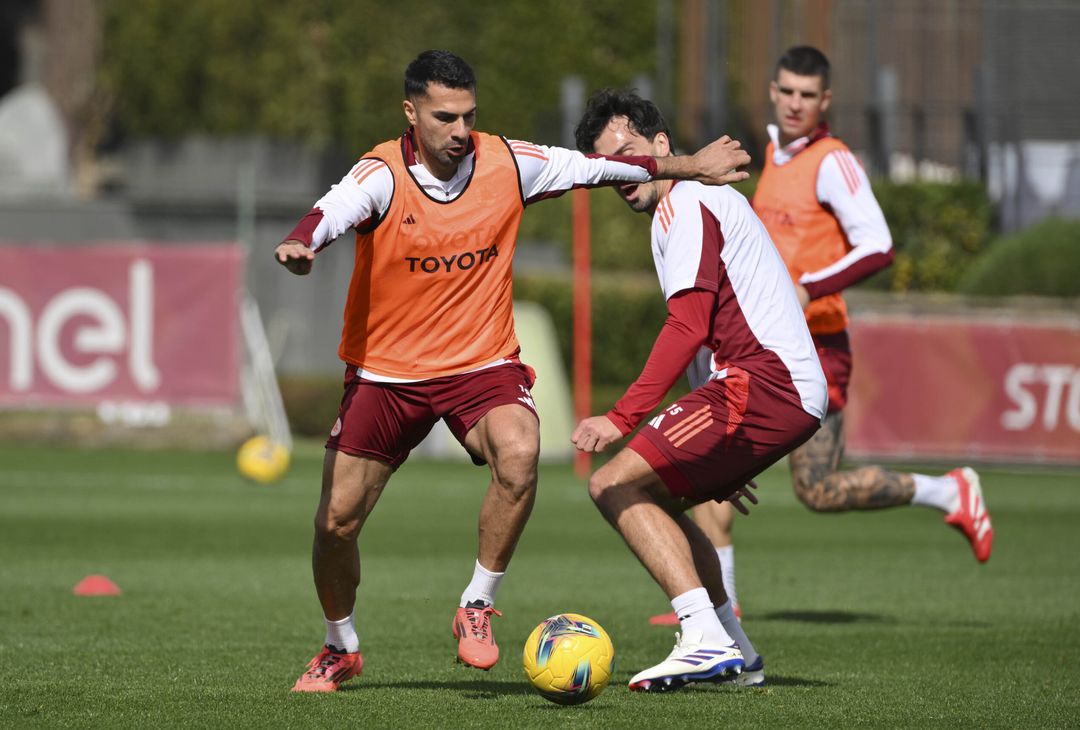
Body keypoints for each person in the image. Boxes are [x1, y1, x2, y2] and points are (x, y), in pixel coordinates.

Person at [274, 50, 752, 693]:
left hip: (481, 364)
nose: (459, 130)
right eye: (444, 117)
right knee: (335, 522)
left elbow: (601, 166)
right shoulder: (382, 173)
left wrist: (691, 165)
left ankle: (476, 603)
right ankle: (340, 645)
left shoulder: (508, 162)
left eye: (469, 115)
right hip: (386, 373)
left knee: (520, 452)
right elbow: (331, 209)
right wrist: (305, 242)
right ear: (410, 113)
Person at [649, 45, 995, 628]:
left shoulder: (831, 160)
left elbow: (878, 245)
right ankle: (718, 608)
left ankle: (948, 492)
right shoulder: (773, 157)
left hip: (815, 348)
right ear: (772, 91)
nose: (795, 103)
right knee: (709, 466)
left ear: (825, 101)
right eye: (786, 91)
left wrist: (808, 287)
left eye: (807, 95)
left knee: (818, 488)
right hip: (759, 352)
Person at [572, 88, 827, 692]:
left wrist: (621, 416)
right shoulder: (684, 208)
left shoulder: (685, 202)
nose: (623, 173)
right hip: (768, 388)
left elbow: (686, 327)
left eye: (630, 153)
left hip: (763, 383)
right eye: (611, 166)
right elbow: (705, 333)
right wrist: (717, 454)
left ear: (662, 147)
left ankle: (703, 637)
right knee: (654, 497)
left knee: (610, 481)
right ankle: (736, 654)